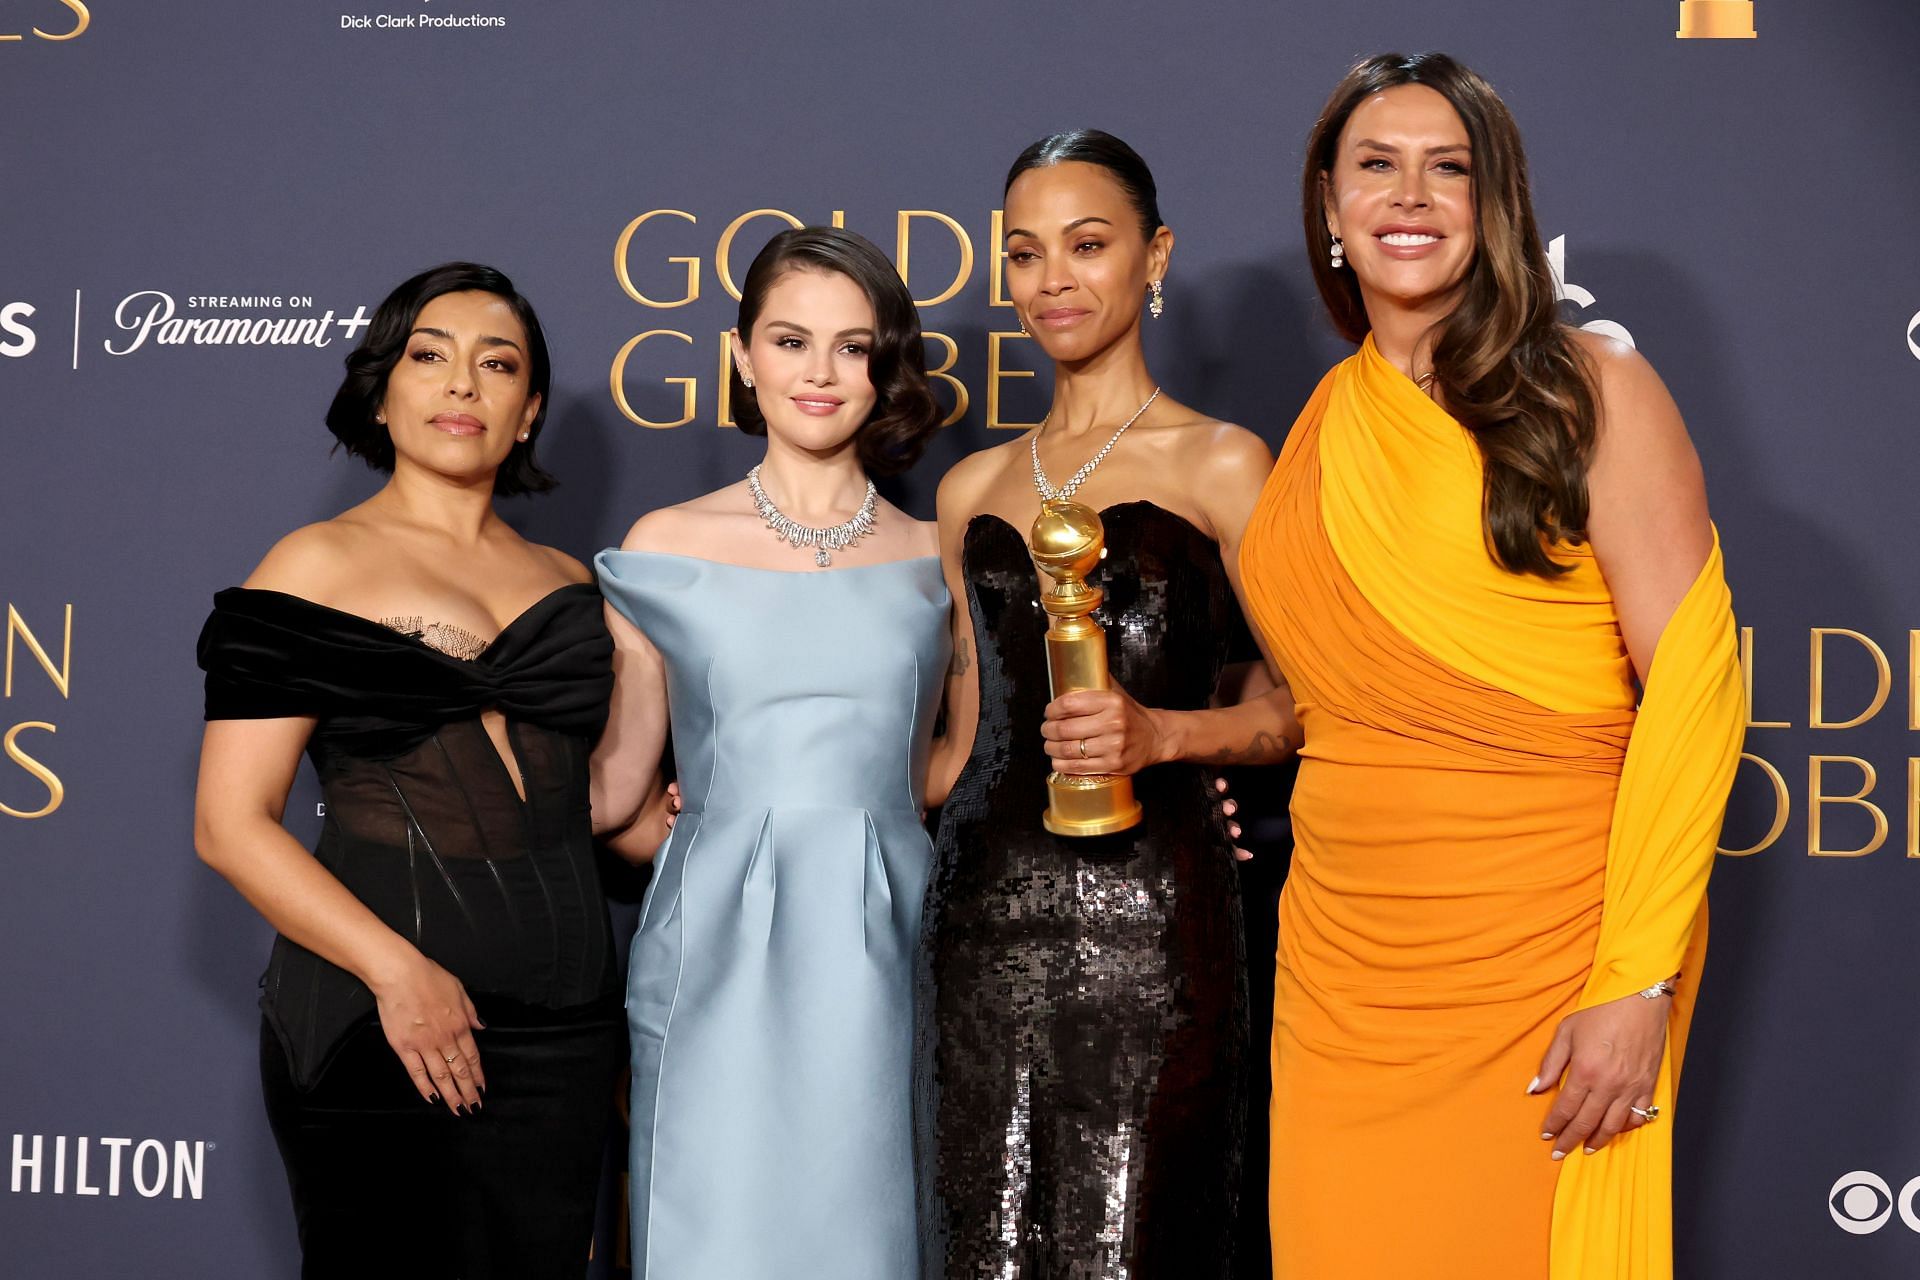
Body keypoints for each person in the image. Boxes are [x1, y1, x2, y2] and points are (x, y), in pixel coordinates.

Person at [1237, 53, 1746, 1279]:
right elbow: (1332, 692)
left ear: (1495, 202)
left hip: (1552, 953)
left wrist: (1641, 980)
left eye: (1448, 168)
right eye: (1376, 165)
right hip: (1343, 976)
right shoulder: (1320, 423)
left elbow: (1695, 684)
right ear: (1328, 205)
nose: (1410, 196)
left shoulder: (1594, 390)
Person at [193, 263, 624, 1278]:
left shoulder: (569, 583)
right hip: (381, 1026)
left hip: (567, 1039)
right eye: (429, 357)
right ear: (383, 393)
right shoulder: (315, 564)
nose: (462, 384)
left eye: (497, 363)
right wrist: (398, 972)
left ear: (528, 415)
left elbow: (589, 803)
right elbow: (230, 822)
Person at [920, 130, 1299, 1278]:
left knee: (1143, 1241)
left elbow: (1305, 707)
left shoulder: (1224, 464)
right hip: (983, 917)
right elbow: (962, 743)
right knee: (986, 1243)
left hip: (1161, 921)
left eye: (1088, 246)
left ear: (1155, 256)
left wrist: (1168, 733)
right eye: (1026, 254)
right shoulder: (969, 487)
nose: (1054, 281)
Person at [591, 226, 948, 1279]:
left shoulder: (937, 558)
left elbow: (959, 765)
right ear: (744, 356)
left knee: (873, 1228)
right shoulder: (667, 546)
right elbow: (617, 781)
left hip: (891, 937)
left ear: (884, 367)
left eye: (852, 345)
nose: (820, 372)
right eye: (791, 341)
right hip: (715, 945)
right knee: (714, 1230)